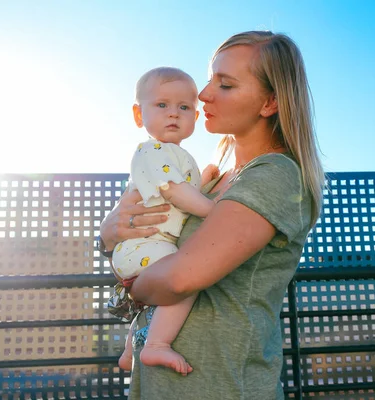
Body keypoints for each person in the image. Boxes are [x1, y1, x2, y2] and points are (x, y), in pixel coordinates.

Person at [99, 30, 325, 400]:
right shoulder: (215, 179)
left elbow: (177, 280)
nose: (203, 94)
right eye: (209, 79)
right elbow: (153, 244)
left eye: (226, 84)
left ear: (269, 103)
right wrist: (108, 236)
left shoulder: (275, 175)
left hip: (220, 386)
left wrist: (131, 288)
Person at [108, 66, 219, 376]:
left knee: (155, 302)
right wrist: (213, 210)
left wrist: (205, 180)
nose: (174, 114)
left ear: (195, 118)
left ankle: (131, 349)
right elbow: (175, 191)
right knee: (187, 279)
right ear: (138, 115)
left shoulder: (172, 154)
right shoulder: (151, 151)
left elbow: (185, 188)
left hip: (147, 247)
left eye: (184, 107)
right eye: (162, 105)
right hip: (147, 246)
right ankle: (156, 345)